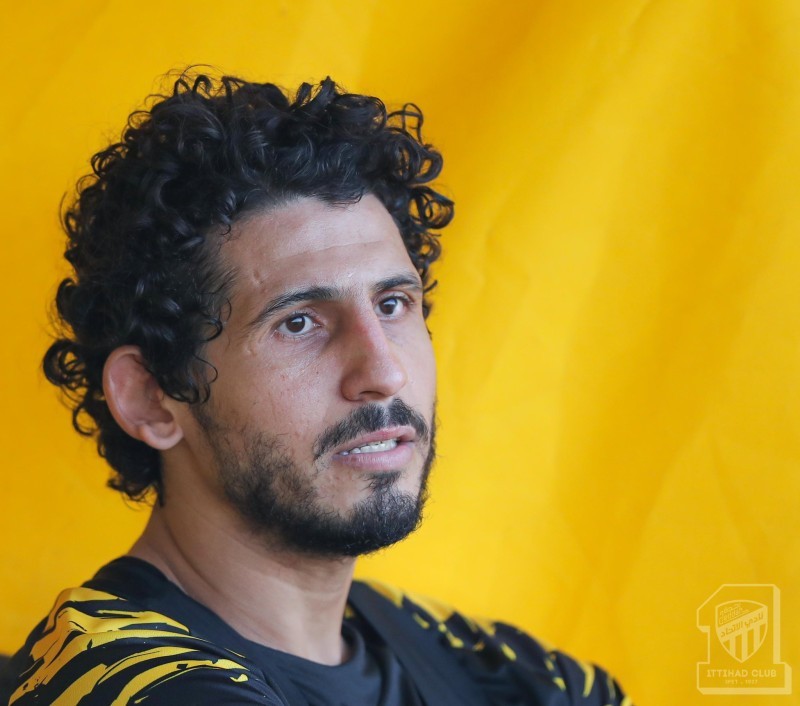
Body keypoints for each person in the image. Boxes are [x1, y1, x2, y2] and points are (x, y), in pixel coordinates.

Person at [0, 71, 631, 706]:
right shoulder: (131, 686)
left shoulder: (476, 661)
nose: (384, 373)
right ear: (151, 397)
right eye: (299, 323)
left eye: (392, 304)